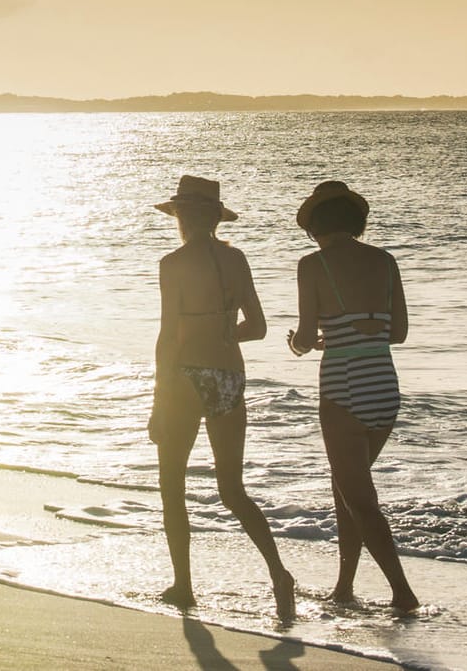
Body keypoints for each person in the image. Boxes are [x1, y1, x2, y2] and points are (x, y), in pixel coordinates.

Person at [147, 175, 295, 619]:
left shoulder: (172, 263)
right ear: (214, 217)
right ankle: (279, 574)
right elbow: (259, 327)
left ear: (181, 218)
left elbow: (166, 337)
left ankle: (184, 586)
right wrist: (221, 332)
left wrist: (158, 399)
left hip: (185, 378)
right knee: (232, 489)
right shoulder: (237, 259)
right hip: (230, 374)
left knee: (172, 485)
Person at [287, 180, 420, 613]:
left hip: (343, 386)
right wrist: (348, 332)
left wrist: (298, 344)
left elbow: (306, 338)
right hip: (384, 384)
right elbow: (396, 333)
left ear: (315, 225)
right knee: (347, 487)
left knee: (360, 499)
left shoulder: (312, 265)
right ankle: (343, 586)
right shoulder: (385, 261)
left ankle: (402, 592)